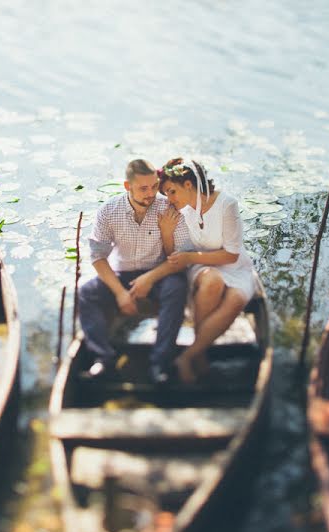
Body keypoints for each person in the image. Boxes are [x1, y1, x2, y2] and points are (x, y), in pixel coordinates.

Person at [78, 158, 192, 384]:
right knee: (87, 293)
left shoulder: (168, 209)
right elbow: (98, 257)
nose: (151, 193)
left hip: (159, 274)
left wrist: (149, 279)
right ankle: (104, 358)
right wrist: (120, 293)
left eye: (153, 187)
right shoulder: (108, 211)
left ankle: (161, 363)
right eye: (143, 188)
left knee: (177, 288)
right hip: (123, 274)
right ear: (127, 186)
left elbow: (179, 259)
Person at [157, 158, 257, 384]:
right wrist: (166, 232)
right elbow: (174, 257)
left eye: (172, 191)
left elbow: (231, 255)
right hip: (201, 265)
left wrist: (189, 257)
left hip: (234, 264)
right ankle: (199, 356)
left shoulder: (226, 204)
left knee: (236, 300)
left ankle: (190, 355)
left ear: (189, 185)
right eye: (166, 194)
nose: (170, 199)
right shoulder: (180, 211)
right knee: (212, 281)